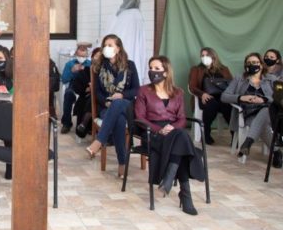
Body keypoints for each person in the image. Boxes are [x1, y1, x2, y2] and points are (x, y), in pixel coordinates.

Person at [134, 56, 205, 215]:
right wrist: (158, 129)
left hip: (173, 131)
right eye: (151, 68)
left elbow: (182, 118)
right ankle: (185, 195)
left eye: (157, 69)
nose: (152, 71)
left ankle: (170, 179)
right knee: (182, 141)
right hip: (152, 133)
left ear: (166, 72)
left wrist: (172, 127)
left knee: (179, 137)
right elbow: (140, 117)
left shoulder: (177, 92)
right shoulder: (143, 91)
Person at [84, 34, 140, 177]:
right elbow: (97, 92)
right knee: (119, 120)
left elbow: (136, 90)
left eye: (110, 45)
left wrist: (122, 95)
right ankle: (122, 163)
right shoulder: (99, 67)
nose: (106, 48)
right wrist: (106, 102)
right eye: (105, 45)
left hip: (126, 105)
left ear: (118, 48)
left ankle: (99, 141)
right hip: (106, 107)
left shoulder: (130, 65)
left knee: (118, 103)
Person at [221, 53, 277, 161]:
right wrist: (241, 98)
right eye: (249, 63)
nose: (252, 65)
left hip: (270, 113)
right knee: (261, 125)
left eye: (255, 62)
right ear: (245, 65)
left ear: (261, 65)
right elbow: (224, 96)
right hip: (249, 113)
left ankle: (247, 143)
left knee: (265, 111)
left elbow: (279, 98)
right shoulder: (239, 78)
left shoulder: (271, 79)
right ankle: (277, 152)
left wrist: (264, 99)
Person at [188, 47, 233, 145]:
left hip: (222, 96)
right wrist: (202, 94)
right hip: (204, 97)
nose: (204, 57)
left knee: (227, 105)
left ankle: (234, 135)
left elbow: (231, 84)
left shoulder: (224, 69)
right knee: (211, 104)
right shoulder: (196, 69)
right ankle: (206, 133)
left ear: (213, 57)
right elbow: (192, 86)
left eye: (207, 55)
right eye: (202, 55)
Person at [104, 0, 147, 83]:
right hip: (133, 53)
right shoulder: (137, 15)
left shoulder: (120, 14)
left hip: (120, 52)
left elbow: (111, 34)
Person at [60, 43, 91, 133]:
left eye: (83, 56)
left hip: (86, 87)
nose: (81, 58)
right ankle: (66, 123)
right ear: (76, 55)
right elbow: (64, 80)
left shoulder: (90, 64)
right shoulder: (69, 64)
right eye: (79, 56)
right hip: (74, 87)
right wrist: (72, 71)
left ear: (87, 55)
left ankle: (86, 125)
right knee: (68, 94)